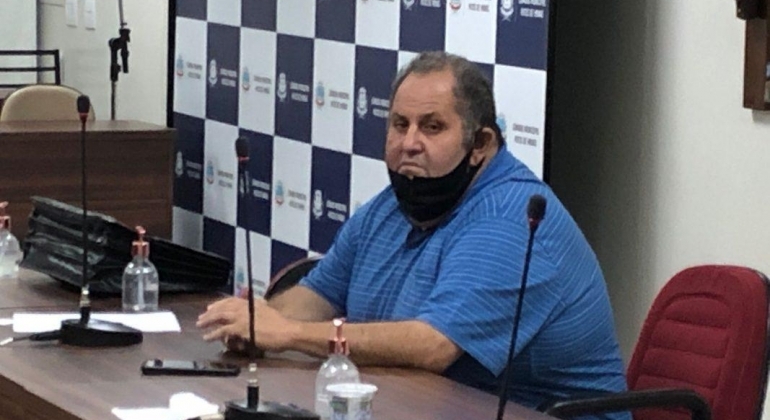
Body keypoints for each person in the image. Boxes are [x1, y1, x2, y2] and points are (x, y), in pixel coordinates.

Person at [197, 51, 628, 418]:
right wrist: (258, 322)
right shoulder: (391, 205)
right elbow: (319, 294)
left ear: (480, 144)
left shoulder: (513, 216)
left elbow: (433, 346)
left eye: (432, 127)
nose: (410, 143)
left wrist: (287, 334)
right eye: (400, 124)